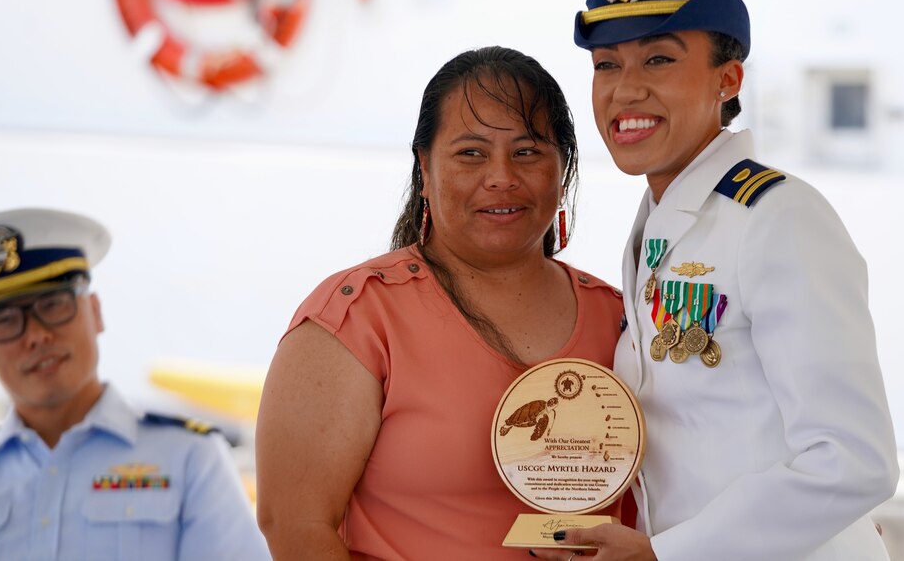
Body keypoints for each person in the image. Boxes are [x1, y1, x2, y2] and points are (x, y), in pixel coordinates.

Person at [535, 0, 901, 559]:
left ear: (728, 79)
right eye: (606, 65)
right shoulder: (664, 222)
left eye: (658, 58)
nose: (626, 89)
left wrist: (665, 554)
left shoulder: (779, 218)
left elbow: (855, 459)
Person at [255, 46, 628, 560]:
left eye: (527, 152)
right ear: (425, 169)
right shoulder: (357, 317)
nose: (501, 176)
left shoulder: (626, 320)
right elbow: (295, 525)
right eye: (471, 153)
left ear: (562, 171)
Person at [0, 207, 269, 561]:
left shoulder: (190, 459)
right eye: (4, 319)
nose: (36, 335)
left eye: (53, 304)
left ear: (95, 311)